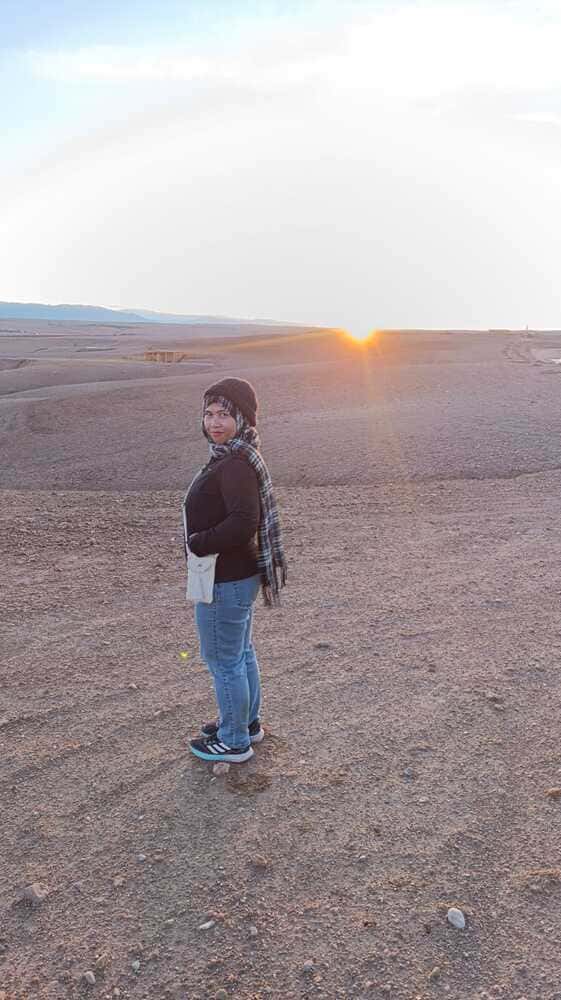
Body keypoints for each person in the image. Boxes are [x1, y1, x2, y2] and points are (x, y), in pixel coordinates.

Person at [182, 377, 287, 764]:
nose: (214, 422)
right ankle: (247, 723)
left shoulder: (236, 464)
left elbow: (244, 521)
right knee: (240, 654)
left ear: (242, 418)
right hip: (236, 575)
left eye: (224, 414)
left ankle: (233, 741)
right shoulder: (233, 456)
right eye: (209, 414)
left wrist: (199, 541)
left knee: (223, 660)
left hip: (224, 577)